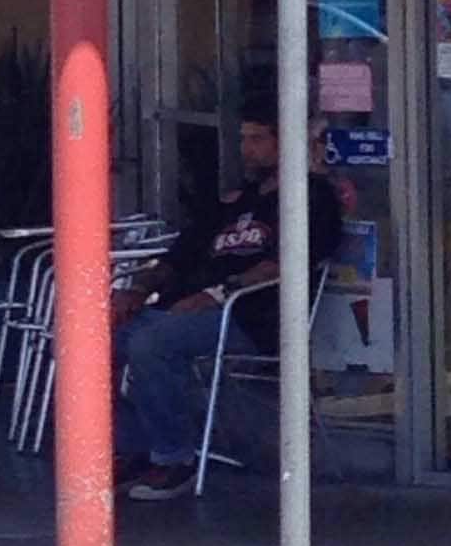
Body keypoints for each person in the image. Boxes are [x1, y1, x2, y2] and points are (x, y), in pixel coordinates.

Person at [116, 88, 343, 502]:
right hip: (185, 309)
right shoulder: (235, 200)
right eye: (243, 139)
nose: (247, 149)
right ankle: (135, 449)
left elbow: (286, 264)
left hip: (251, 316)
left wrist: (218, 293)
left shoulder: (312, 199)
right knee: (98, 336)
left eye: (257, 139)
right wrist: (137, 288)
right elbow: (179, 254)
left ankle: (175, 459)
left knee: (151, 344)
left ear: (285, 142)